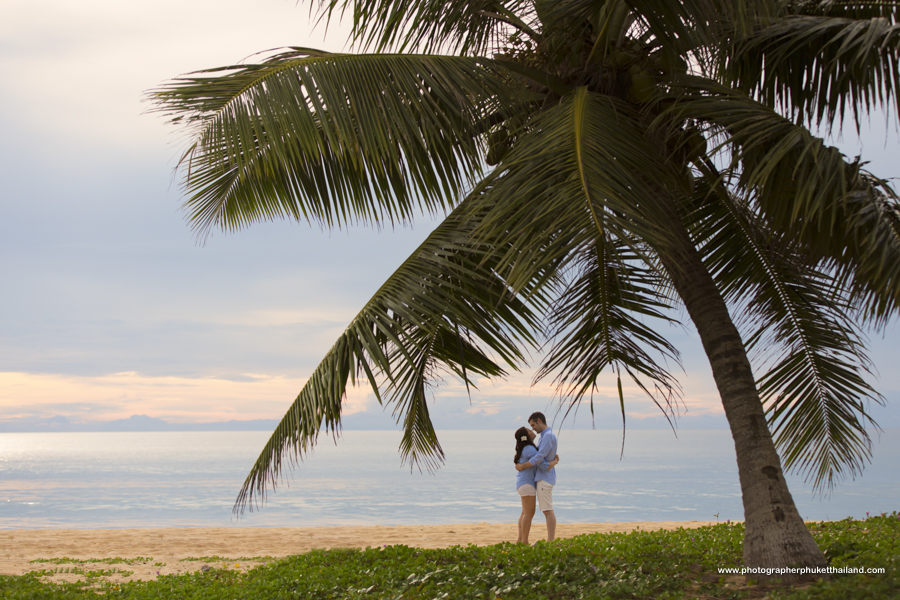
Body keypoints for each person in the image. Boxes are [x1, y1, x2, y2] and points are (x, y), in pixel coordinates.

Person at [515, 412, 558, 541]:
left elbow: (539, 458)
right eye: (530, 428)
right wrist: (553, 463)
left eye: (533, 425)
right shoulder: (536, 443)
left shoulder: (547, 436)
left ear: (539, 421)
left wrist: (523, 466)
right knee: (530, 513)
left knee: (541, 511)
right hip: (534, 480)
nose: (532, 428)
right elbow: (540, 459)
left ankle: (525, 540)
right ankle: (523, 541)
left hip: (542, 478)